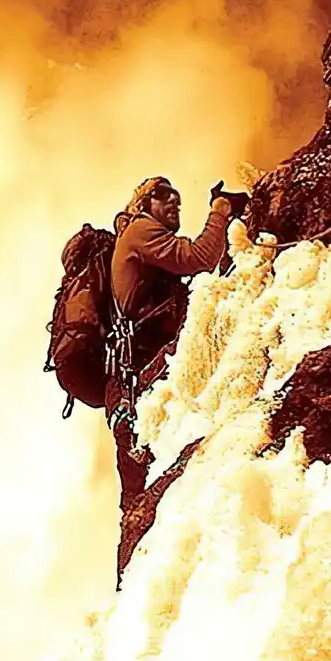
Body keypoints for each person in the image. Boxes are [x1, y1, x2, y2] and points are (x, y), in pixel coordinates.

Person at [105, 176, 237, 503]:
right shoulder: (140, 230)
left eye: (176, 195)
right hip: (144, 369)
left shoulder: (143, 241)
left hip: (140, 372)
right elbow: (199, 258)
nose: (174, 201)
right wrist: (220, 212)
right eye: (162, 194)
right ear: (143, 204)